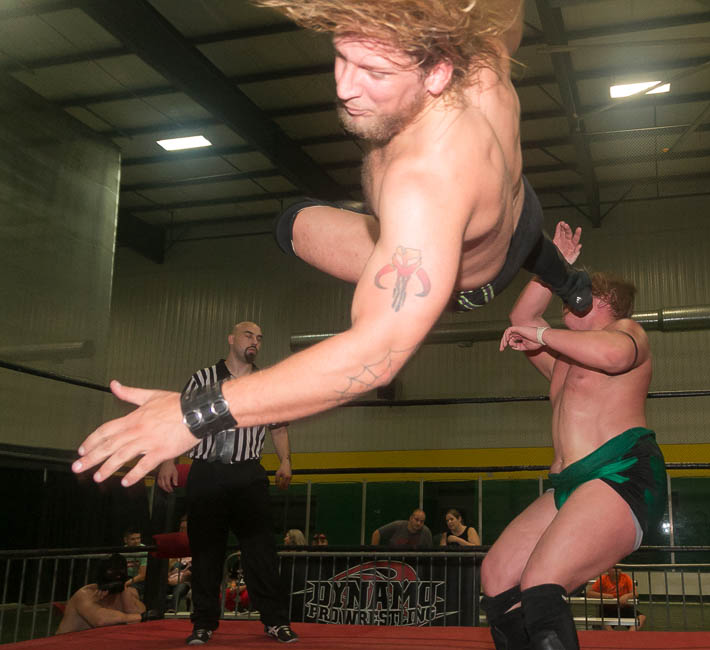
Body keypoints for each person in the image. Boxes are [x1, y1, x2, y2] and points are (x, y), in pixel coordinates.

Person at [73, 0, 590, 494]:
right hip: (522, 214)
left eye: (375, 73)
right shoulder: (484, 50)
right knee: (305, 222)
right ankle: (568, 280)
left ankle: (560, 276)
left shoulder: (424, 183)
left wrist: (194, 414)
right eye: (341, 57)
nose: (345, 87)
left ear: (437, 72)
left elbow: (375, 353)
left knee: (296, 223)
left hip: (467, 277)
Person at [481, 222, 665, 650]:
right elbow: (522, 319)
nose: (567, 299)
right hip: (572, 484)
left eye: (577, 292)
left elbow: (613, 356)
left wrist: (541, 335)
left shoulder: (628, 331)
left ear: (602, 301)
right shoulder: (565, 358)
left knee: (541, 582)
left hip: (621, 475)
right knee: (498, 577)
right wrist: (554, 265)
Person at [153, 321, 297, 646]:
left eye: (259, 338)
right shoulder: (202, 379)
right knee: (206, 551)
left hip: (248, 473)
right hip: (208, 473)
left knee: (261, 549)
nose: (255, 341)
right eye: (248, 335)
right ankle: (203, 624)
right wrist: (167, 460)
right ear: (231, 339)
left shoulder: (266, 383)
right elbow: (179, 422)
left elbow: (278, 427)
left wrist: (286, 461)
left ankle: (275, 621)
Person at [56, 555, 161, 634]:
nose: (117, 575)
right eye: (112, 571)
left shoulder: (127, 593)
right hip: (66, 645)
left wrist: (123, 588)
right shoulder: (85, 594)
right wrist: (140, 617)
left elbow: (139, 615)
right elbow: (101, 620)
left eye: (120, 571)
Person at [585, 566, 647, 631]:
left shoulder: (625, 577)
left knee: (641, 617)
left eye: (618, 567)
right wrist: (605, 596)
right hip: (608, 608)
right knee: (604, 623)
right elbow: (589, 593)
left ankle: (630, 634)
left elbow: (635, 593)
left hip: (624, 607)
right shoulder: (603, 579)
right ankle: (613, 635)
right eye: (614, 568)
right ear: (608, 570)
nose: (616, 569)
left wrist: (626, 596)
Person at [166, 515, 192, 612]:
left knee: (179, 590)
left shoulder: (197, 546)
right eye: (181, 528)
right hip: (170, 578)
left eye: (185, 529)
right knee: (158, 587)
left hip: (184, 581)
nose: (182, 531)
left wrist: (180, 579)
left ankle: (172, 610)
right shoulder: (174, 545)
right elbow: (167, 566)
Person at [122, 529, 147, 600]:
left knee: (129, 591)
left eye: (138, 538)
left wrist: (126, 583)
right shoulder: (122, 551)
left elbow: (142, 575)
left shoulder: (144, 550)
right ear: (126, 540)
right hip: (127, 578)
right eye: (133, 539)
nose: (136, 541)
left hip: (140, 581)